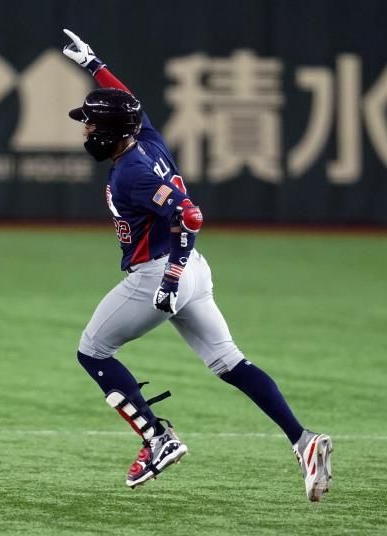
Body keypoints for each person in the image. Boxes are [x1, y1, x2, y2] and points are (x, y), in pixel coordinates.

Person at [61, 29, 332, 501]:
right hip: (194, 271)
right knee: (230, 362)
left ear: (107, 132)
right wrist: (93, 63)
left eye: (89, 123)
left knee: (92, 351)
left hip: (160, 274)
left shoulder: (132, 174)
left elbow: (190, 215)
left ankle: (157, 438)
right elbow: (129, 101)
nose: (84, 129)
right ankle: (304, 441)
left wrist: (169, 277)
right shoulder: (144, 137)